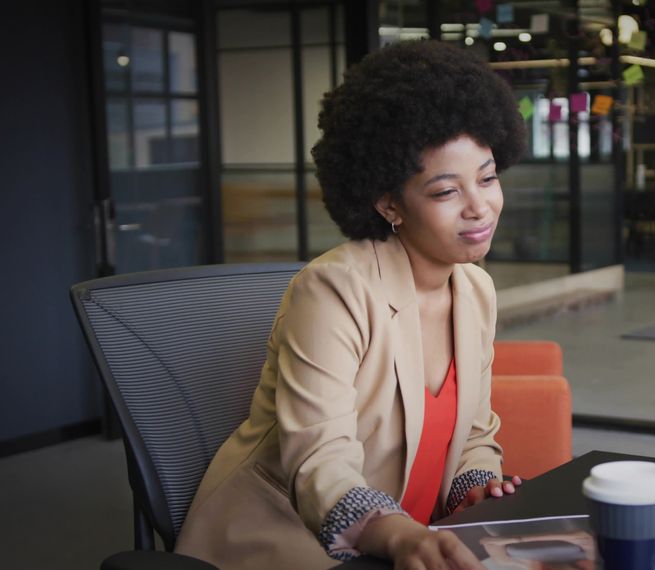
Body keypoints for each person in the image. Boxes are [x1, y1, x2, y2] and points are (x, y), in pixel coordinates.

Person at [174, 40, 528, 568]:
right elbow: (321, 458)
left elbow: (474, 432)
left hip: (409, 544)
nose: (480, 207)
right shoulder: (332, 291)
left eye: (488, 177)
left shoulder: (475, 291)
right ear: (389, 203)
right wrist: (397, 534)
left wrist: (474, 488)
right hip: (284, 544)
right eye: (444, 191)